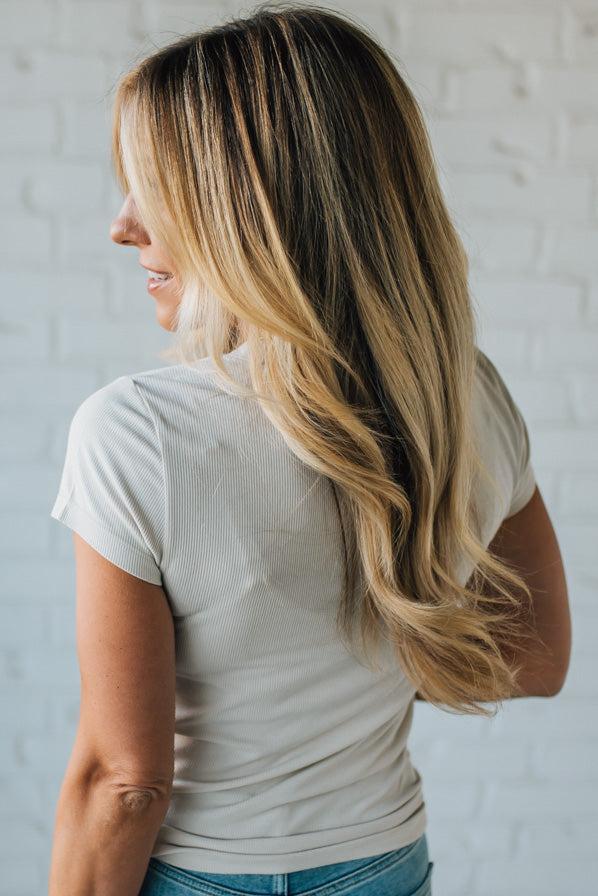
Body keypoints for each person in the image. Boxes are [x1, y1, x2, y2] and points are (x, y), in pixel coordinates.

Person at [47, 3, 571, 894]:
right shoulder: (462, 393)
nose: (123, 226)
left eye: (153, 188)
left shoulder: (137, 430)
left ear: (249, 208)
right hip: (387, 864)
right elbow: (534, 653)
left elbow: (123, 783)